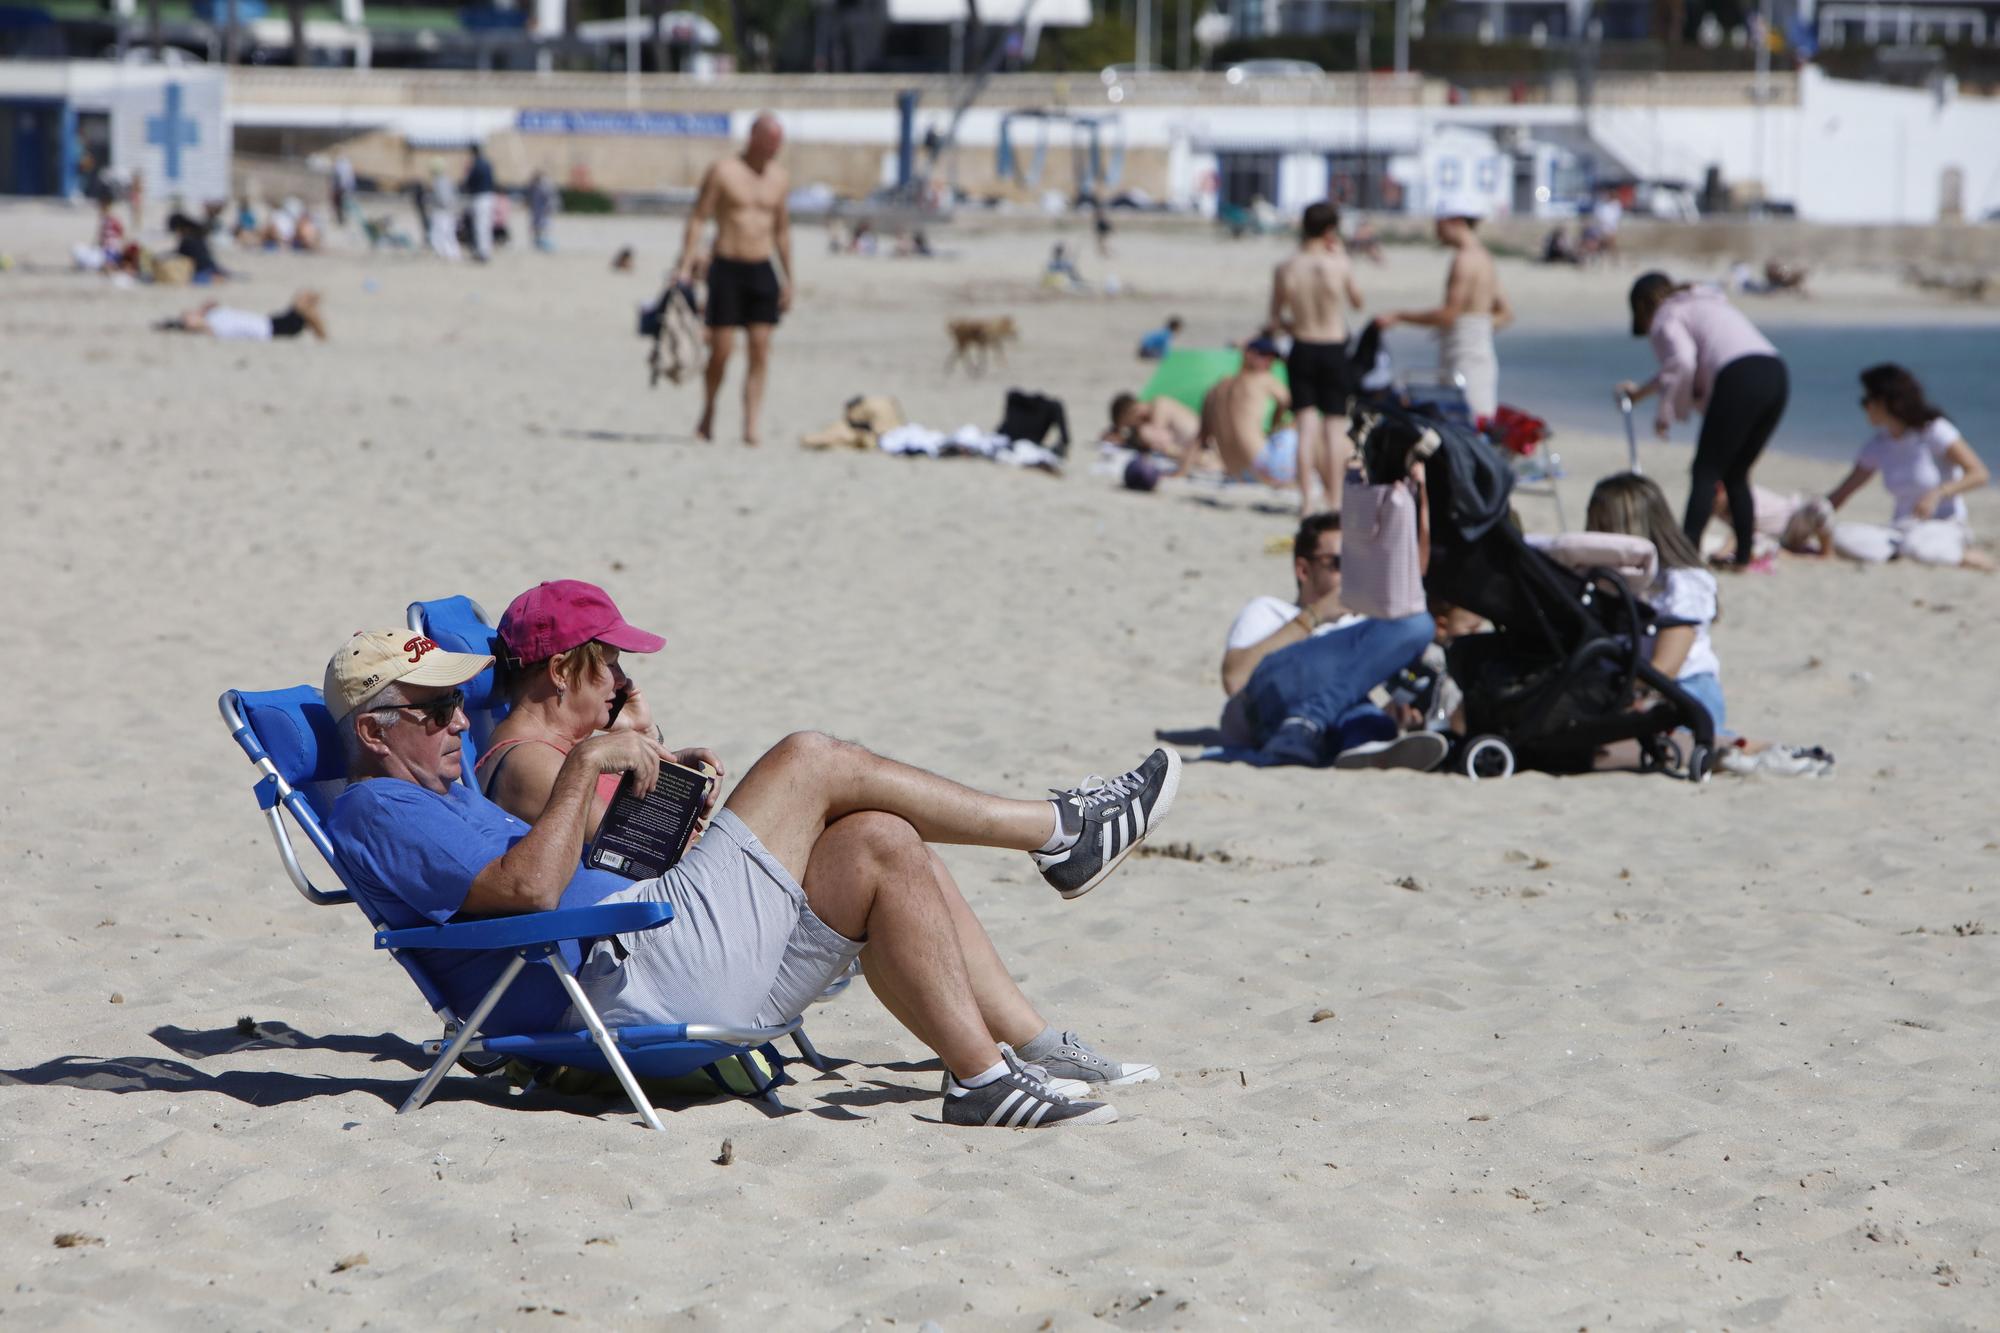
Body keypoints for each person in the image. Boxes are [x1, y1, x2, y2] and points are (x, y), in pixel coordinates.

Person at [320, 620, 1181, 1130]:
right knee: (811, 757)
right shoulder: (380, 812)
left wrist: (648, 801)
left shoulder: (445, 788)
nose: (458, 720)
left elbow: (557, 866)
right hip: (632, 973)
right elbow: (532, 896)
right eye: (435, 709)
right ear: (373, 732)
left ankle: (985, 1076)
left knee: (877, 837)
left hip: (654, 949)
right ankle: (1057, 830)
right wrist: (584, 764)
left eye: (457, 702)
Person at [1584, 474, 1832, 777]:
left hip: (1679, 691)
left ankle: (1751, 748)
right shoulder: (1600, 580)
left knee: (1666, 743)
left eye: (1602, 527)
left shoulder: (1681, 583)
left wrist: (1618, 696)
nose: (1593, 537)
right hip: (1629, 687)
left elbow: (1665, 668)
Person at [1210, 513, 1444, 770]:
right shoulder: (1268, 610)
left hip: (1331, 721)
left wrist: (1398, 708)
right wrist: (1314, 616)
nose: (1352, 573)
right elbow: (1235, 680)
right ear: (1304, 570)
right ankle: (1312, 722)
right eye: (1339, 563)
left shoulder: (1364, 626)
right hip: (1273, 705)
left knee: (1416, 625)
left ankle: (1363, 742)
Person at [1615, 271, 1788, 569]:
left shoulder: (1665, 316)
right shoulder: (1705, 301)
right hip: (1775, 373)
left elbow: (1682, 361)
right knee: (1736, 473)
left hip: (1739, 377)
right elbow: (1681, 366)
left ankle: (1684, 555)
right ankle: (1743, 557)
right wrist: (1642, 393)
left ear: (1643, 307)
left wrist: (1665, 412)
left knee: (1705, 472)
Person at [677, 113, 793, 446]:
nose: (775, 149)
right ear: (753, 138)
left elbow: (782, 231)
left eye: (779, 143)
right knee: (722, 351)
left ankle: (751, 424)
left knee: (760, 350)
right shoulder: (723, 172)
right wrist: (686, 264)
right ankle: (709, 411)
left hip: (762, 268)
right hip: (727, 265)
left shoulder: (780, 178)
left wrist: (788, 278)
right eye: (771, 142)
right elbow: (699, 218)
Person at [1823, 364, 1992, 570]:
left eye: (1867, 401)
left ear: (1885, 401)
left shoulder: (1934, 431)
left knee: (1918, 546)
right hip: (1900, 529)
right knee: (1838, 536)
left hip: (1944, 525)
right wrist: (1813, 515)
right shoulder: (1879, 444)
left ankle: (1966, 556)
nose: (1864, 407)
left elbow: (1979, 473)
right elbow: (1844, 491)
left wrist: (1938, 493)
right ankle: (1901, 554)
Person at [1270, 201, 1366, 516]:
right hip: (1333, 346)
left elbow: (1275, 318)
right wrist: (1342, 257)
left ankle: (1306, 501)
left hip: (1302, 345)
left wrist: (1294, 324)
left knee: (1306, 427)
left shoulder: (1287, 267)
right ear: (1330, 230)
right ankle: (1335, 499)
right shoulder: (1337, 262)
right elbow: (1357, 302)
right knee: (1334, 427)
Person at [1382, 200, 1512, 422]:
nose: (1436, 231)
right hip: (1479, 353)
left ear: (1456, 221)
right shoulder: (1484, 257)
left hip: (1464, 358)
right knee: (1478, 422)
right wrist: (1473, 328)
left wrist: (1399, 316)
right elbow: (1505, 313)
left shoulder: (1464, 260)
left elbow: (1448, 315)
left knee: (1464, 425)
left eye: (1439, 224)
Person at [1187, 336, 1291, 483]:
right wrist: (1276, 423)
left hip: (1237, 472)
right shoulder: (1264, 379)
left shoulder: (1216, 388)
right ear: (1248, 354)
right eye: (1264, 357)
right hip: (1263, 467)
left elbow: (1200, 437)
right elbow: (1293, 405)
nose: (1269, 363)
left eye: (1272, 359)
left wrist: (1181, 471)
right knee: (1299, 429)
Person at [154, 290, 327, 341]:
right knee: (304, 308)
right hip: (264, 326)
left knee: (303, 300)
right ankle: (184, 322)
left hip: (264, 324)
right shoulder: (214, 327)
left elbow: (321, 335)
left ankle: (184, 322)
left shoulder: (305, 313)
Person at [1104, 390, 1202, 466]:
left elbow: (1158, 439)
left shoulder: (1159, 405)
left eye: (1129, 425)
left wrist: (1125, 439)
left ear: (1131, 412)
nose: (1132, 428)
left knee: (1147, 434)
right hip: (1199, 445)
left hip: (1205, 445)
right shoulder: (1153, 414)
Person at [464, 145, 497, 263]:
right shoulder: (488, 164)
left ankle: (482, 252)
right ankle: (486, 250)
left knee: (480, 226)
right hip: (489, 197)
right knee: (486, 226)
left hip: (480, 197)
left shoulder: (476, 165)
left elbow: (469, 182)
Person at [427, 163, 461, 261]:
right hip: (449, 210)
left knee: (441, 232)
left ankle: (445, 252)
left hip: (442, 211)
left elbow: (443, 198)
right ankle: (451, 253)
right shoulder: (447, 180)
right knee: (449, 233)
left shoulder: (438, 182)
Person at [527, 170, 558, 252]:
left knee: (542, 227)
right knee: (538, 227)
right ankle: (539, 242)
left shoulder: (542, 187)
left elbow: (549, 199)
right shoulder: (535, 187)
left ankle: (542, 243)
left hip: (542, 211)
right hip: (538, 211)